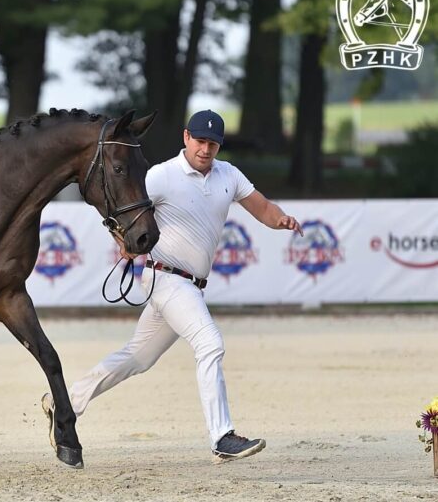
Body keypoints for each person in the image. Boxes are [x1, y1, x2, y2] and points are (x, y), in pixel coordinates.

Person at [42, 109, 303, 464]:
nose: (206, 148)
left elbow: (262, 208)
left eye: (213, 143)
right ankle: (221, 436)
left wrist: (282, 220)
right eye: (200, 140)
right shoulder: (162, 176)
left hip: (189, 284)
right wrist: (124, 240)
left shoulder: (228, 175)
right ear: (185, 138)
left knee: (137, 358)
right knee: (209, 342)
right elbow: (122, 204)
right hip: (165, 277)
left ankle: (63, 403)